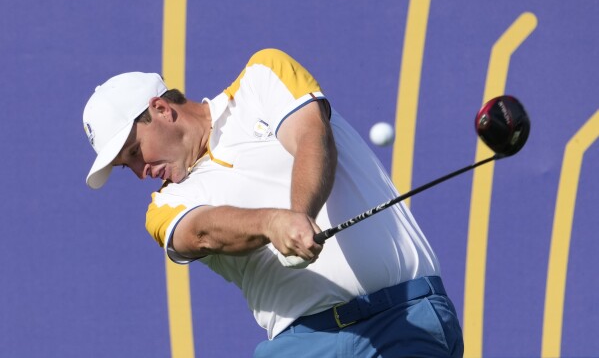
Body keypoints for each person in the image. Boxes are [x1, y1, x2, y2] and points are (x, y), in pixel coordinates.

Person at [82, 48, 464, 357]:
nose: (138, 171)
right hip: (300, 345)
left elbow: (311, 138)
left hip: (402, 317)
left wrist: (299, 215)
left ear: (161, 110)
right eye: (124, 166)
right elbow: (200, 231)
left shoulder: (261, 77)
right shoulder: (165, 207)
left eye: (134, 152)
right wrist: (271, 223)